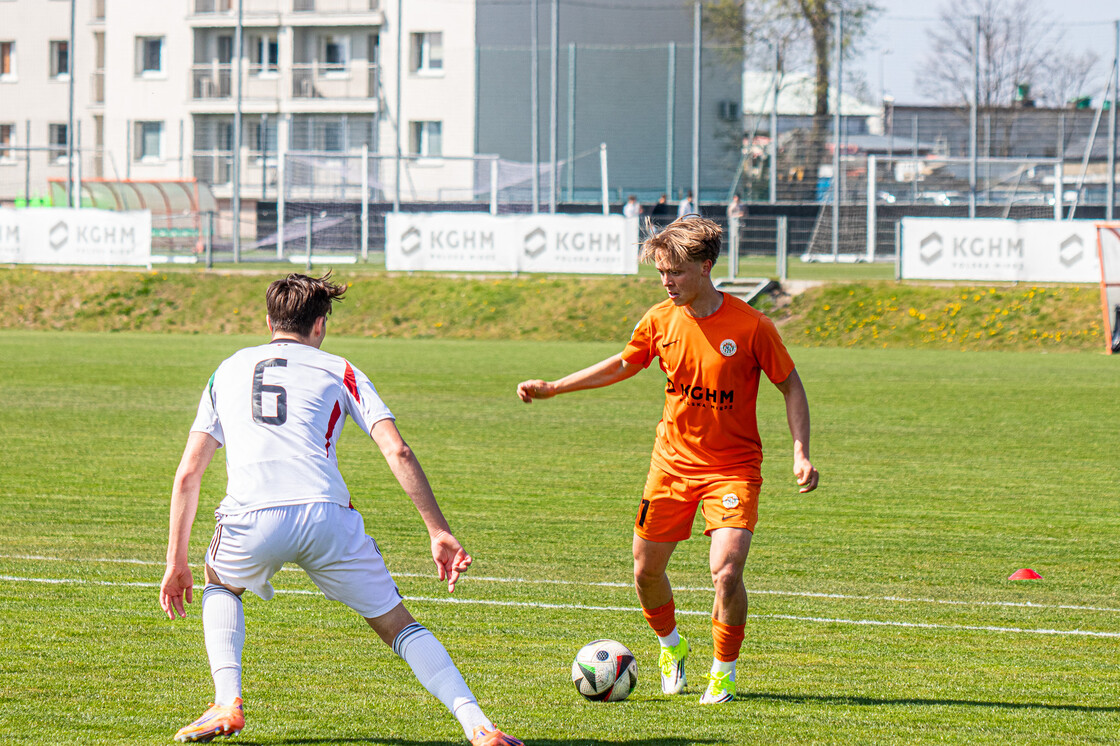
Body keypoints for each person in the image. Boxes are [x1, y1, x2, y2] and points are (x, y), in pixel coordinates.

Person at [160, 273, 521, 746]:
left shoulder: (226, 370)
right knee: (397, 624)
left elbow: (189, 473)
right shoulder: (341, 369)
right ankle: (478, 725)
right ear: (320, 325)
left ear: (269, 322)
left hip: (251, 516)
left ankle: (227, 701)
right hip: (327, 515)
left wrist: (176, 560)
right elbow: (398, 450)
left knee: (221, 583)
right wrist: (438, 530)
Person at [516, 217, 817, 705]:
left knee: (726, 572)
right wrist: (555, 387)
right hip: (671, 465)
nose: (666, 281)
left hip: (733, 469)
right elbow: (623, 363)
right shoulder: (660, 319)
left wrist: (800, 451)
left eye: (675, 271)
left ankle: (723, 672)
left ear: (706, 266)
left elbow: (791, 386)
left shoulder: (752, 326)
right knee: (645, 572)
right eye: (660, 272)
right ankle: (671, 646)